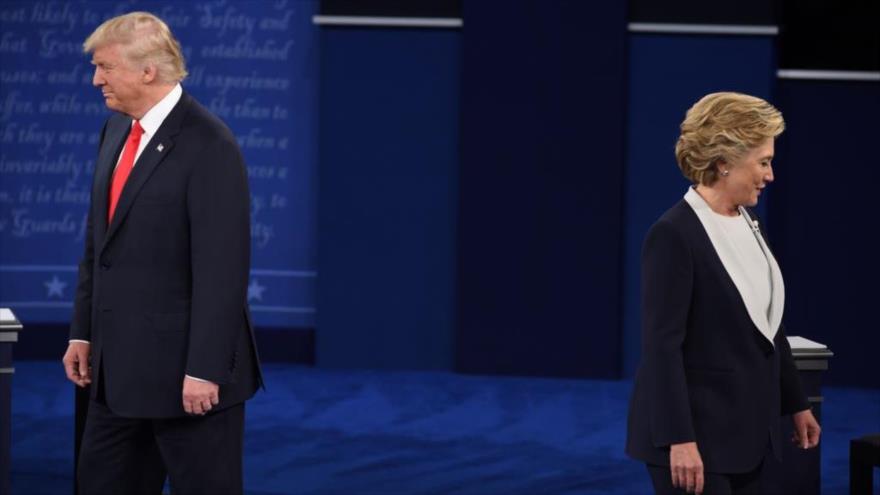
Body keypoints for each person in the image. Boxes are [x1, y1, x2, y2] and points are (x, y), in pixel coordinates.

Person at [61, 12, 262, 494]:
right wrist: (83, 333)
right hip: (114, 374)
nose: (96, 79)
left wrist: (205, 369)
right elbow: (99, 246)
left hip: (186, 383)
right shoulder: (114, 132)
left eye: (105, 67)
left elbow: (222, 270)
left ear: (147, 71)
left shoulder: (209, 144)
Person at [625, 92, 821, 495]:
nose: (770, 176)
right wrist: (678, 440)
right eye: (763, 162)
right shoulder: (673, 234)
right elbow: (663, 347)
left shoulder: (750, 223)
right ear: (723, 162)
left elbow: (768, 326)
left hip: (746, 435)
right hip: (692, 442)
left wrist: (796, 403)